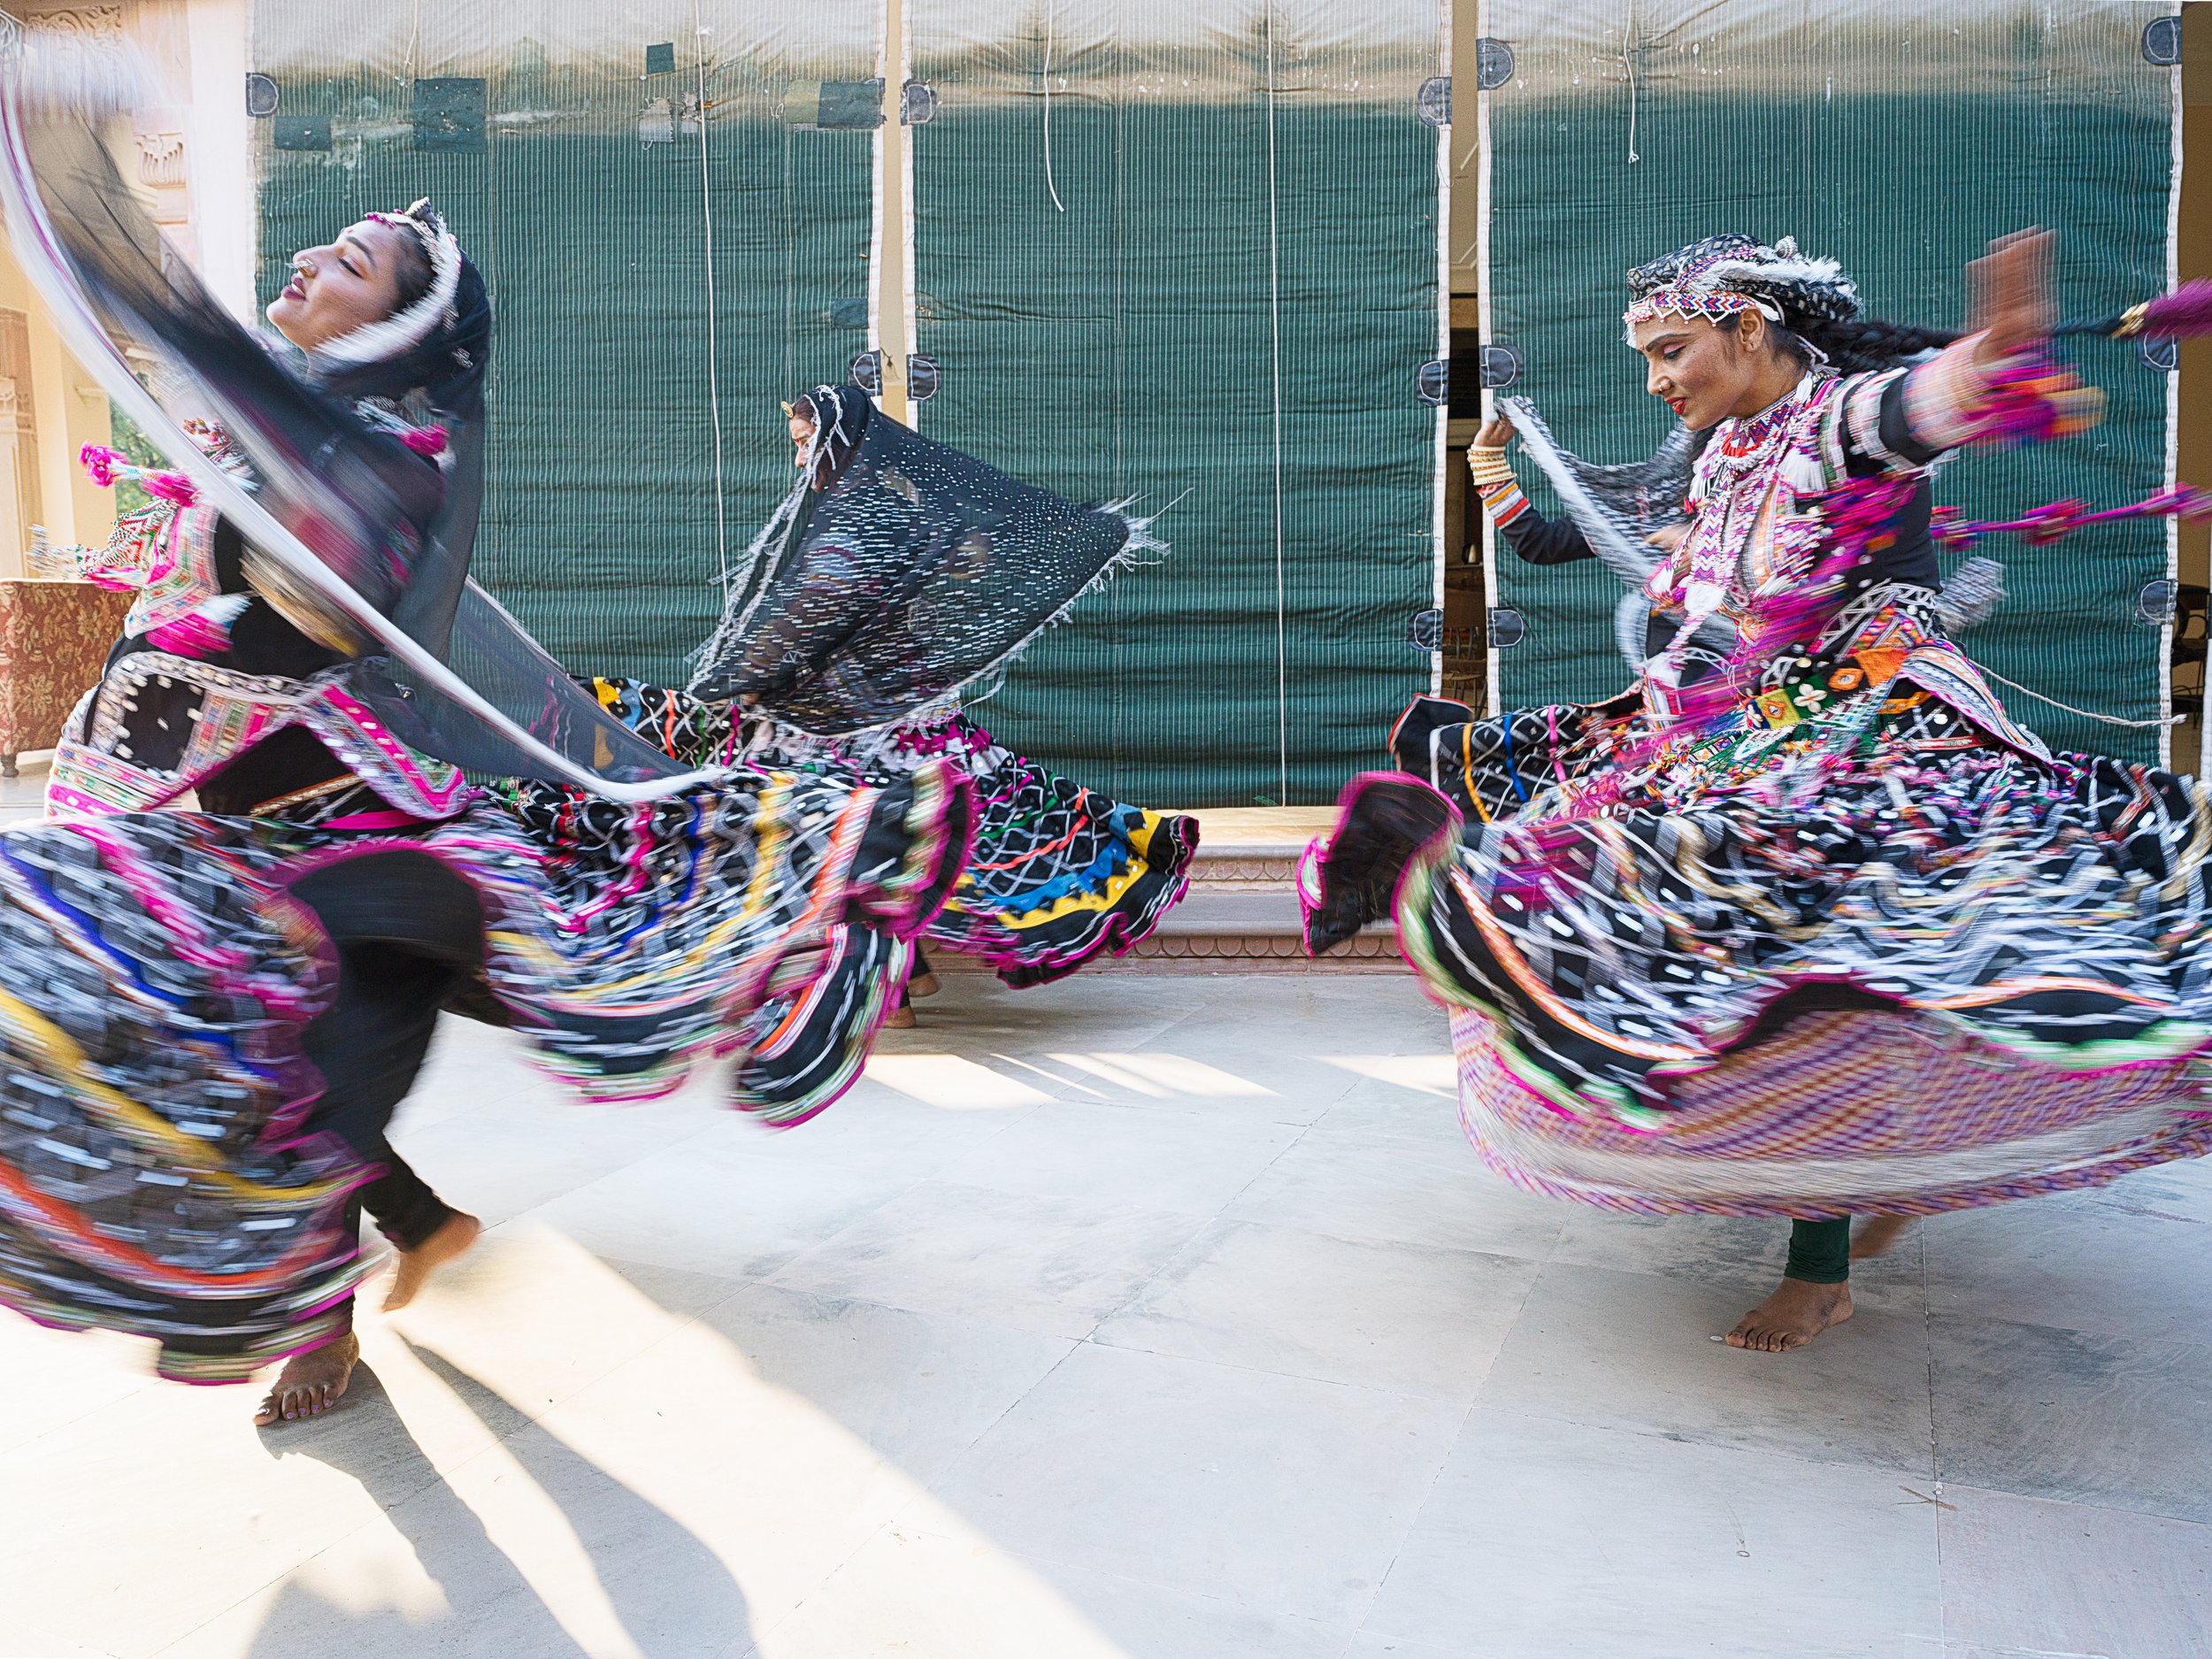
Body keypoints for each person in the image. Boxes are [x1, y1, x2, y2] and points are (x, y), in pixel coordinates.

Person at [0, 111, 969, 1423]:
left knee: (297, 1082)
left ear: (396, 327)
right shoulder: (275, 443)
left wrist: (72, 178)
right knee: (182, 1042)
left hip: (358, 853)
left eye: (347, 263)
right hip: (214, 824)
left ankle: (320, 1327)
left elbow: (196, 354)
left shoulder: (382, 466)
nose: (307, 260)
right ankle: (423, 1222)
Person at [1302, 230, 2212, 1351]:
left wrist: (1991, 362)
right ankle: (1877, 1185)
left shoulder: (1835, 418)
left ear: (1746, 328)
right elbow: (1572, 550)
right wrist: (1494, 473)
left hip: (1871, 738)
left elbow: (1917, 408)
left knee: (1820, 971)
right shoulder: (1721, 457)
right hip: (1741, 728)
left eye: (1672, 348)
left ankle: (1821, 1267)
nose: (1657, 378)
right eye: (1647, 357)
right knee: (1732, 970)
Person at [572, 385, 1200, 1116]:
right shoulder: (898, 512)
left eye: (808, 439)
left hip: (857, 724)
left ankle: (888, 994)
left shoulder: (852, 525)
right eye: (797, 441)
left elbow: (809, 620)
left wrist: (735, 685)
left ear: (844, 442)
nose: (800, 453)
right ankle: (915, 973)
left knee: (839, 838)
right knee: (905, 836)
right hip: (891, 711)